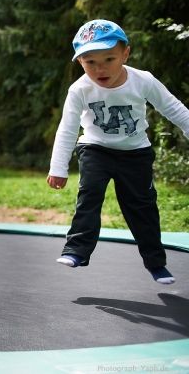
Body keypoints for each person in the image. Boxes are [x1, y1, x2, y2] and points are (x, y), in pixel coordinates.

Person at [47, 19, 189, 284]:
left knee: (142, 207)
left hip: (136, 153)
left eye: (109, 59)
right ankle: (76, 250)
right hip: (95, 148)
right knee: (89, 195)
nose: (100, 68)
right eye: (90, 62)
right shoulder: (79, 89)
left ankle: (156, 263)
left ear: (125, 54)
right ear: (80, 62)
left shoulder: (142, 80)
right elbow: (67, 129)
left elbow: (174, 109)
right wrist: (58, 167)